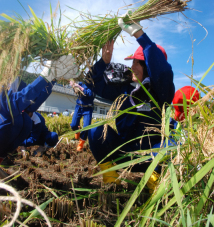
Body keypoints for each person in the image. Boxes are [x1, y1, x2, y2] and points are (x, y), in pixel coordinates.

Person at [87, 12, 175, 189]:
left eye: (138, 62)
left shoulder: (161, 93)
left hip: (153, 158)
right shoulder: (125, 90)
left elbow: (162, 72)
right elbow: (94, 85)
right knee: (96, 129)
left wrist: (139, 35)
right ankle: (111, 177)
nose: (132, 66)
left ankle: (154, 184)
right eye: (133, 61)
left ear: (149, 67)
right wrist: (103, 63)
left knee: (172, 142)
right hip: (125, 154)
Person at [0, 55, 80, 165]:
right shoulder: (2, 78)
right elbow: (12, 105)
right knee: (14, 120)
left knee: (25, 121)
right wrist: (43, 77)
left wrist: (52, 78)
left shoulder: (16, 80)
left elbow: (31, 104)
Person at [70, 81, 95, 151]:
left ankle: (80, 144)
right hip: (79, 107)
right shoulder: (81, 83)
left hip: (88, 108)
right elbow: (76, 91)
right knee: (73, 125)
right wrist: (74, 86)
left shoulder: (94, 85)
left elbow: (90, 94)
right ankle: (77, 130)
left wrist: (81, 88)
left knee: (86, 127)